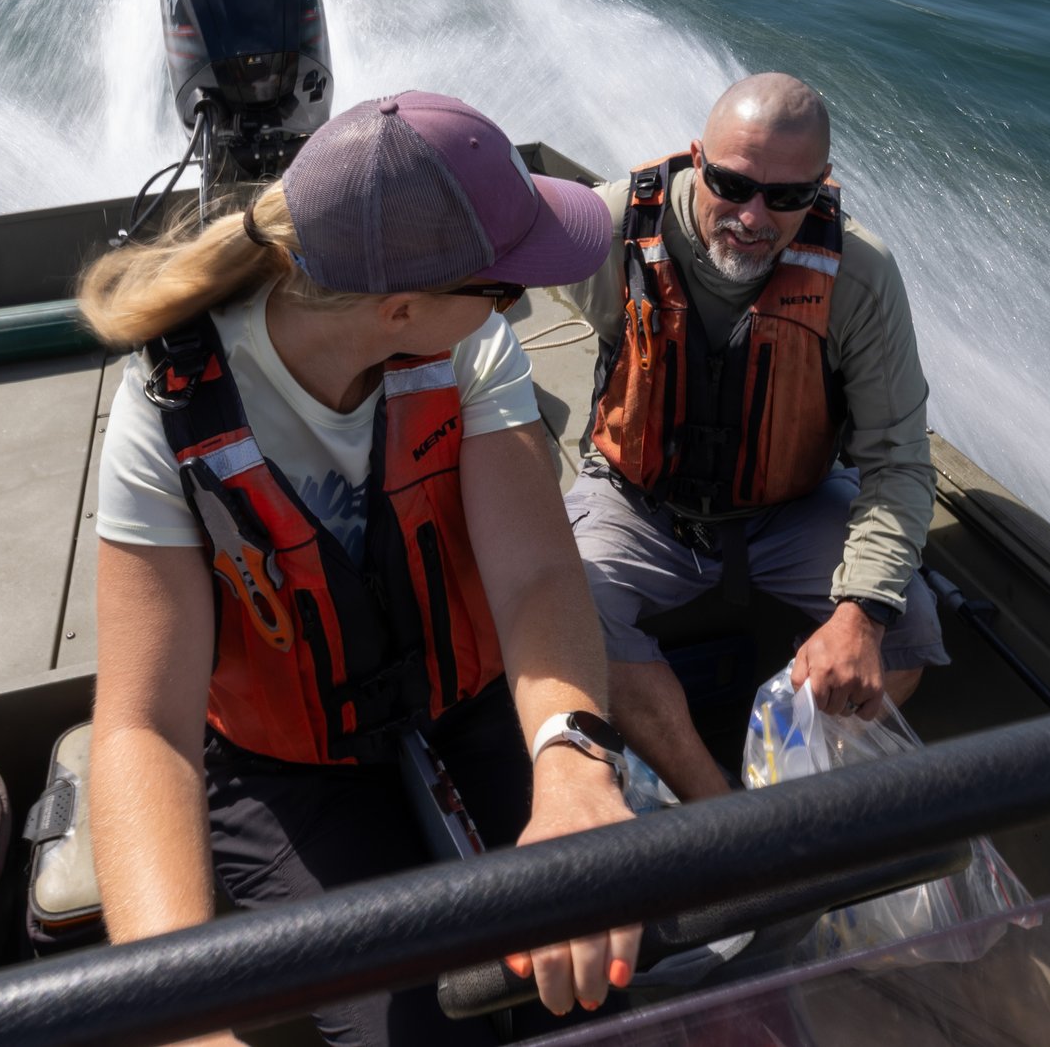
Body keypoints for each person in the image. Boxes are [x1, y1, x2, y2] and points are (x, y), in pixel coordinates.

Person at [80, 91, 643, 1047]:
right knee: (420, 1032)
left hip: (468, 704)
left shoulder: (468, 347)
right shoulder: (167, 409)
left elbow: (538, 577)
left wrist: (573, 757)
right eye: (504, 289)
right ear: (400, 310)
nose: (515, 308)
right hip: (289, 766)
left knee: (602, 972)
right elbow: (145, 726)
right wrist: (171, 1010)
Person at [554, 73, 948, 802]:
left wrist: (860, 613)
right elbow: (485, 273)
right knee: (566, 605)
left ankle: (781, 783)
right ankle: (717, 805)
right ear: (697, 159)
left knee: (907, 622)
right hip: (638, 504)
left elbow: (898, 461)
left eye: (787, 197)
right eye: (732, 183)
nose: (752, 215)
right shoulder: (611, 227)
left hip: (790, 507)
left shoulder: (859, 275)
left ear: (822, 189)